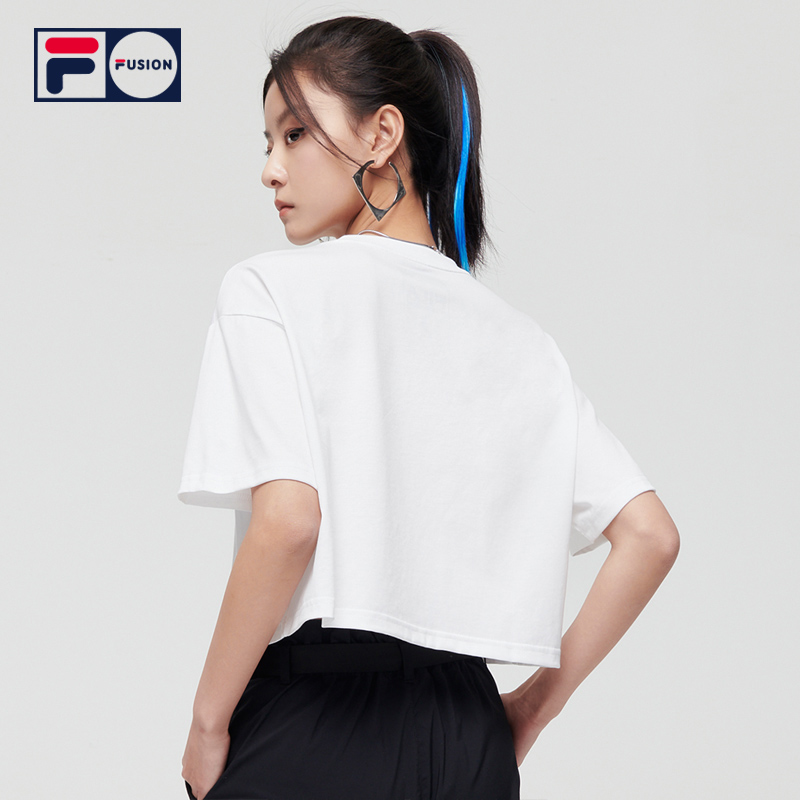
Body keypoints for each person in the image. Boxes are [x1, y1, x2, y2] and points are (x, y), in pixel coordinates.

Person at [178, 15, 680, 800]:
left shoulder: (270, 290)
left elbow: (288, 523)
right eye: (268, 142)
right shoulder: (520, 340)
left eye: (295, 134)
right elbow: (650, 535)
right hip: (468, 734)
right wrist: (530, 710)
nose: (271, 169)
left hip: (318, 722)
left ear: (383, 135)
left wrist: (209, 722)